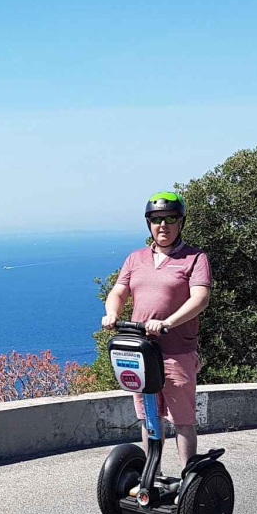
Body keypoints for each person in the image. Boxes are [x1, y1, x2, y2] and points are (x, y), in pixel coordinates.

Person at [101, 191, 212, 473]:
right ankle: (154, 474)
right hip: (141, 351)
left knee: (182, 418)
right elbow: (118, 291)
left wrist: (168, 322)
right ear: (149, 223)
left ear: (181, 222)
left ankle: (189, 479)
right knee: (149, 416)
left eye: (170, 219)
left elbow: (200, 299)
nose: (163, 225)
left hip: (177, 351)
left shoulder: (195, 258)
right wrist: (112, 313)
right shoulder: (135, 259)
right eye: (156, 220)